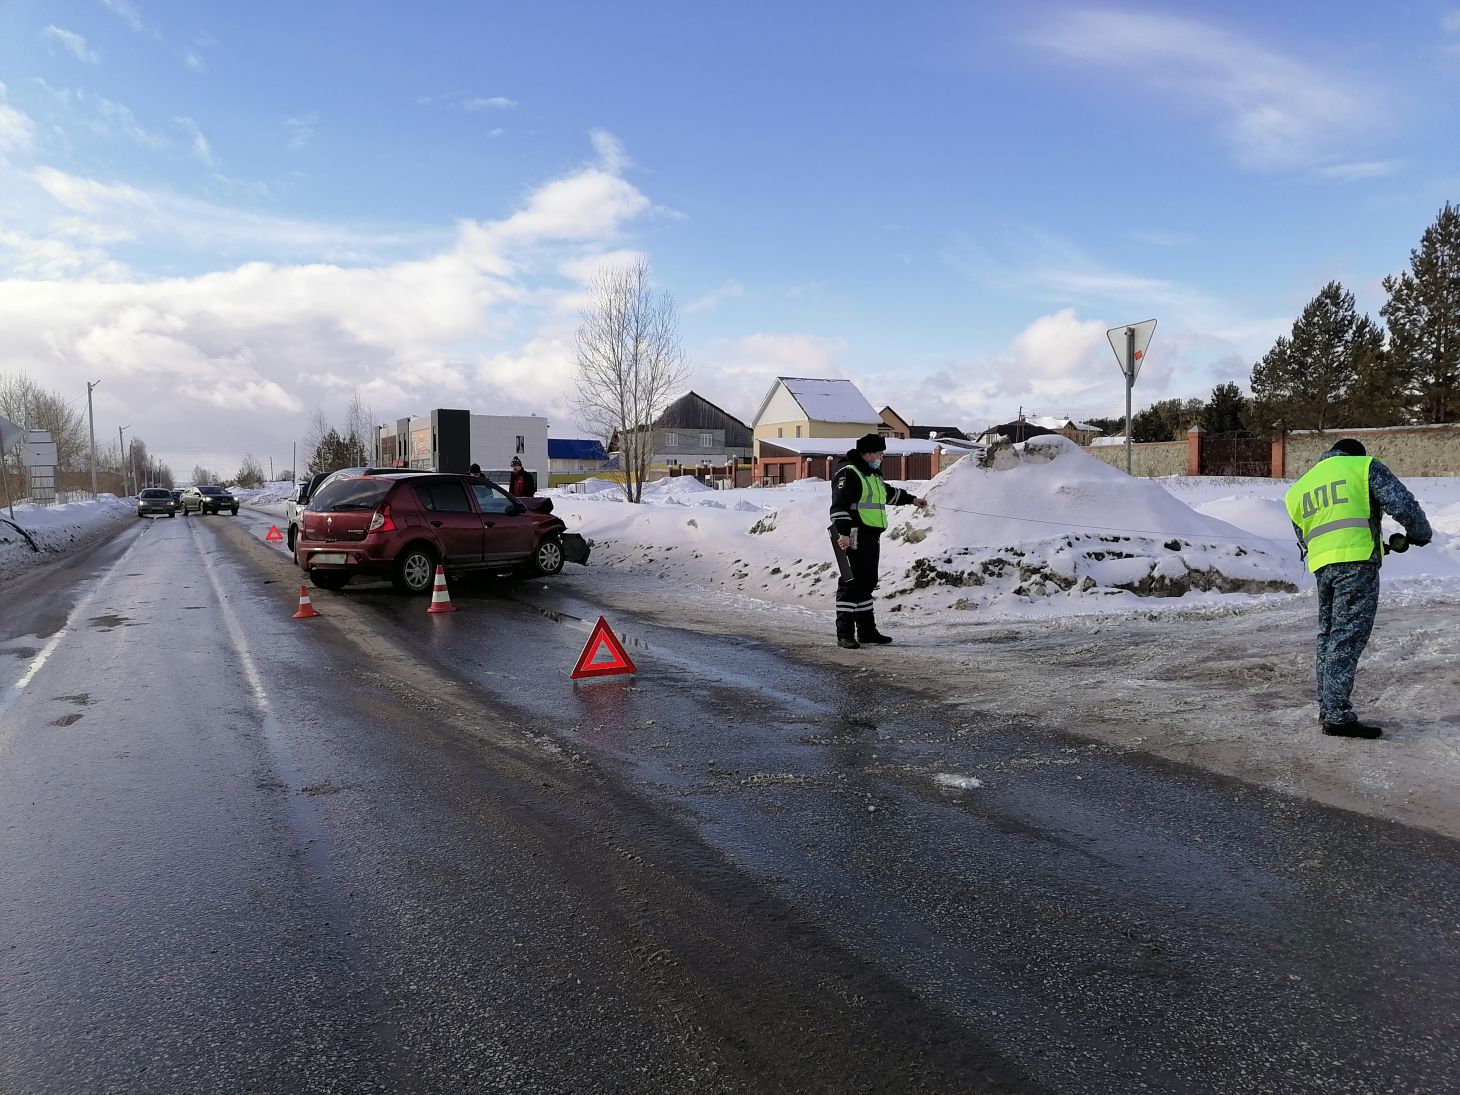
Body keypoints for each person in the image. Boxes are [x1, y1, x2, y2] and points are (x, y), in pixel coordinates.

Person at [1285, 438, 1432, 739]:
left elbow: (1304, 534)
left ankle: (1328, 708)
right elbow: (1402, 504)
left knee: (1328, 635)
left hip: (1322, 566)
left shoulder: (1300, 487)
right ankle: (1338, 716)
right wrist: (1420, 533)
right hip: (1356, 564)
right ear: (1355, 455)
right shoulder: (1364, 467)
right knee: (1347, 635)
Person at [829, 433, 928, 649]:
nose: (882, 457)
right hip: (853, 535)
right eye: (880, 454)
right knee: (850, 582)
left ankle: (866, 632)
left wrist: (911, 500)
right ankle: (844, 634)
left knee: (866, 582)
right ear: (869, 453)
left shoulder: (871, 474)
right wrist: (843, 533)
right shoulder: (849, 473)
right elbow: (839, 506)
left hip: (870, 535)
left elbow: (887, 494)